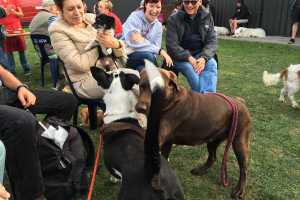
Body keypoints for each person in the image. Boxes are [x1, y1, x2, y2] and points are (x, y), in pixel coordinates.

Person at [0, 62, 77, 200]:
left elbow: (1, 72)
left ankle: (46, 156)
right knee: (22, 122)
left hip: (5, 93)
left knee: (67, 102)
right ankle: (31, 194)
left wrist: (20, 87)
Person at [49, 0, 126, 99]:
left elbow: (120, 52)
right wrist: (100, 43)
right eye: (70, 9)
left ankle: (104, 113)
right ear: (60, 9)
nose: (77, 12)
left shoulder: (91, 18)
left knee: (144, 80)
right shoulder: (58, 30)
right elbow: (80, 65)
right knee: (129, 85)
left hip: (111, 69)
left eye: (79, 7)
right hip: (84, 80)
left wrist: (116, 44)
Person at [166, 0, 218, 93]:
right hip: (180, 57)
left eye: (193, 2)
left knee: (212, 64)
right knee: (190, 69)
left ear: (200, 2)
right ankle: (203, 98)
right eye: (186, 2)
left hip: (200, 54)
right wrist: (188, 57)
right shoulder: (173, 19)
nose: (189, 5)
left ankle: (208, 98)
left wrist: (203, 58)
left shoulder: (207, 16)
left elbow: (212, 41)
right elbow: (172, 46)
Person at [122, 0, 173, 72]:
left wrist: (156, 50)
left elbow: (156, 47)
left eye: (158, 7)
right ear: (145, 4)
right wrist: (160, 51)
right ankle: (160, 75)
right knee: (148, 56)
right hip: (126, 56)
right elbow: (134, 42)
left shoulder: (158, 26)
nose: (155, 10)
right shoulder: (134, 17)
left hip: (145, 60)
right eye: (151, 6)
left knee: (143, 69)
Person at [0, 0, 31, 75]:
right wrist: (6, 11)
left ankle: (26, 68)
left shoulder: (14, 1)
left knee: (21, 49)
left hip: (16, 28)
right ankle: (12, 70)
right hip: (4, 29)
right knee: (8, 51)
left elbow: (21, 15)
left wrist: (12, 11)